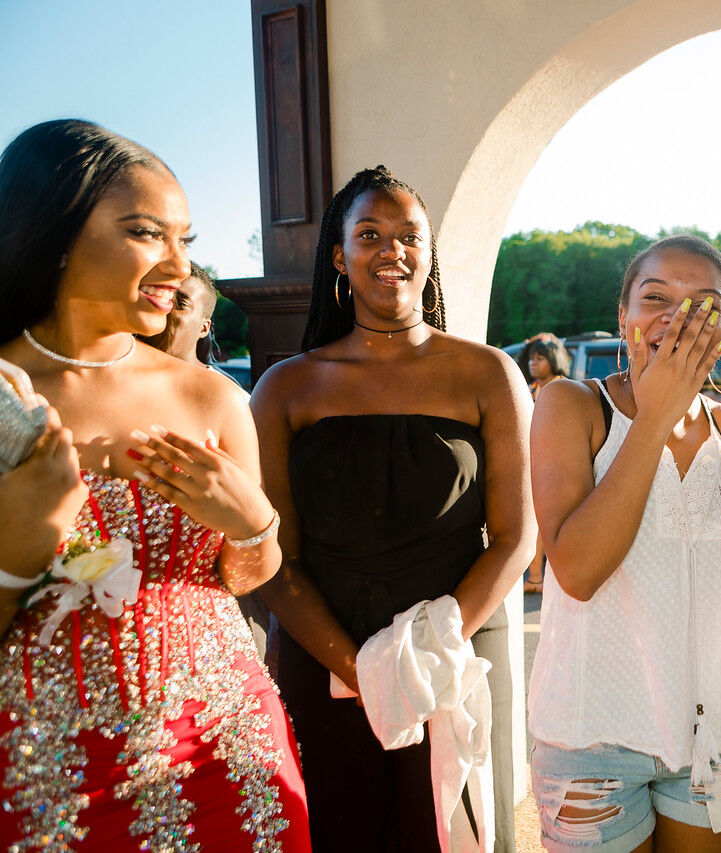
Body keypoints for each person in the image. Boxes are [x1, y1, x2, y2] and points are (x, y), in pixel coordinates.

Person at [0, 119, 309, 850]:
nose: (180, 264)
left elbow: (249, 576)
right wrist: (16, 553)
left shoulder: (212, 398)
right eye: (146, 233)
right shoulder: (6, 398)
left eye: (185, 240)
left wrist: (252, 524)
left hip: (227, 747)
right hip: (46, 767)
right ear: (57, 232)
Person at [251, 165, 535, 851]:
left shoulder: (489, 373)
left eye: (410, 235)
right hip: (324, 657)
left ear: (430, 252)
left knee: (451, 833)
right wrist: (364, 671)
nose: (392, 251)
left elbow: (515, 537)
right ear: (338, 256)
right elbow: (274, 558)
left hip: (453, 651)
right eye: (370, 234)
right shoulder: (285, 388)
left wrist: (429, 653)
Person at [526, 235, 721, 852]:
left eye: (704, 305)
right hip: (592, 737)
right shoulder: (572, 405)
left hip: (712, 734)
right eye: (655, 298)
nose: (678, 319)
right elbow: (576, 572)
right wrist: (655, 414)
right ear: (623, 316)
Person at [140, 263, 273, 661]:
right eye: (158, 294)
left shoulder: (230, 403)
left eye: (180, 301)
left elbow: (257, 517)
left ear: (204, 326)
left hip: (208, 604)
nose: (165, 307)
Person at [522, 333, 570, 593]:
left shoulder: (563, 388)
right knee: (537, 520)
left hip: (558, 464)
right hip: (535, 462)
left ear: (553, 360)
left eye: (540, 358)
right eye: (532, 358)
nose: (534, 363)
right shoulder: (530, 389)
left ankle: (543, 579)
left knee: (550, 521)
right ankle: (535, 578)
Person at [526, 334, 570, 400]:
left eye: (539, 359)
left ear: (553, 361)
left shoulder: (565, 387)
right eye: (531, 359)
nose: (533, 363)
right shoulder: (532, 388)